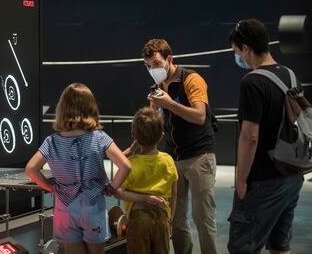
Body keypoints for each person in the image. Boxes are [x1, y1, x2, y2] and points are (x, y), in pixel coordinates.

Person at [227, 18, 304, 254]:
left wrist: (241, 179)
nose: (237, 57)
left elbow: (250, 136)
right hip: (292, 175)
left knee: (242, 246)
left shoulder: (253, 82)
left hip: (263, 181)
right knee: (280, 246)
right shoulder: (289, 75)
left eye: (236, 51)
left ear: (246, 49)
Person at [25, 83, 131, 254]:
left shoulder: (51, 141)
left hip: (64, 209)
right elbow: (125, 165)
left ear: (62, 108)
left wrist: (50, 188)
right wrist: (112, 187)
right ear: (91, 107)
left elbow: (31, 169)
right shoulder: (100, 137)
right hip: (93, 207)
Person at [142, 38, 218, 254]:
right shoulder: (156, 88)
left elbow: (200, 116)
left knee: (203, 218)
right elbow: (157, 126)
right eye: (148, 66)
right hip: (172, 159)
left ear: (169, 59)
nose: (152, 69)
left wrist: (170, 104)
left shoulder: (191, 79)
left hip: (199, 155)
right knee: (175, 219)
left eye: (156, 64)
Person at [115, 107, 178, 254]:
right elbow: (174, 193)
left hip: (138, 221)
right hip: (162, 217)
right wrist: (170, 219)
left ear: (133, 136)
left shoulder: (131, 164)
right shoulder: (168, 160)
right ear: (161, 136)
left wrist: (143, 199)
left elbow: (117, 191)